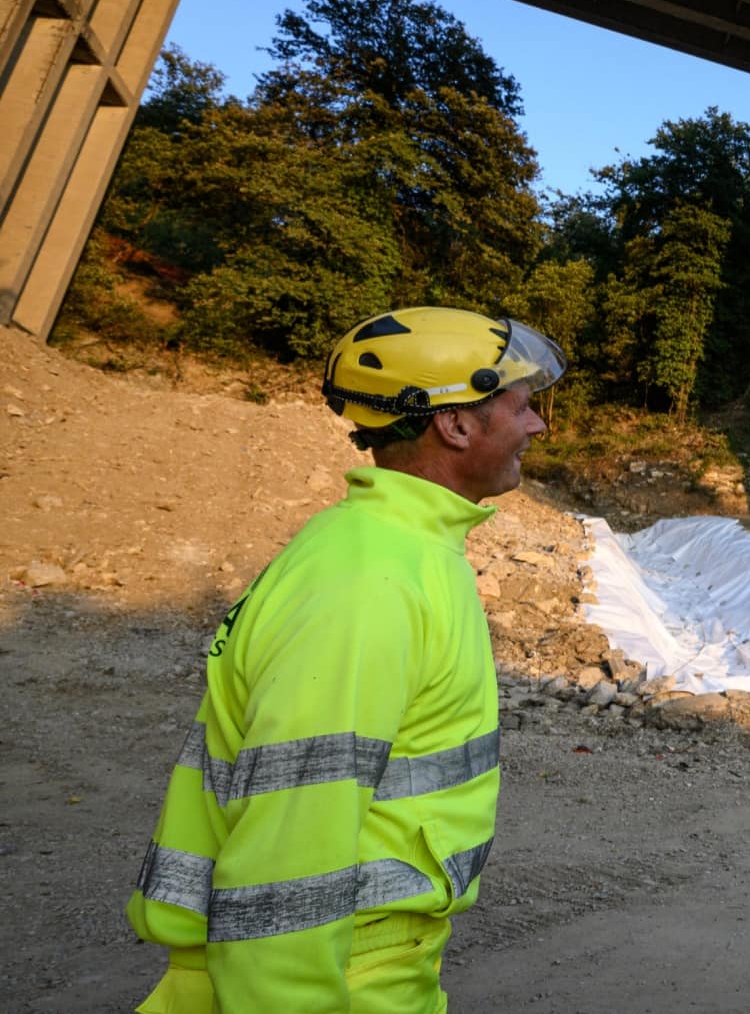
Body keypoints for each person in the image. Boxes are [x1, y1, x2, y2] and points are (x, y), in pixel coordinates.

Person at [126, 306, 566, 1013]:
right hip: (341, 983)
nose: (537, 424)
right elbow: (285, 862)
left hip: (377, 968)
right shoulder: (370, 583)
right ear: (454, 424)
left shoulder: (400, 548)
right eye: (520, 404)